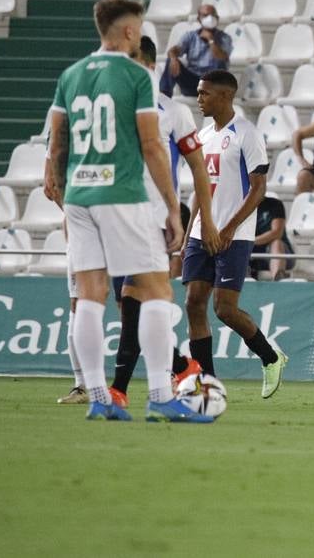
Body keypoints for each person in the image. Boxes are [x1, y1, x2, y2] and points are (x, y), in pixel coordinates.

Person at [43, 0, 210, 423]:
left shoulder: (72, 75)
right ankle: (160, 394)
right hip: (123, 195)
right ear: (130, 30)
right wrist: (174, 209)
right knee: (156, 291)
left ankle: (100, 396)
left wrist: (62, 192)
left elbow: (57, 144)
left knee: (89, 297)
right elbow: (153, 146)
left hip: (81, 198)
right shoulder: (137, 77)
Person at [109, 35, 218, 407]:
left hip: (153, 219)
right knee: (129, 308)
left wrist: (199, 222)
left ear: (149, 66)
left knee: (131, 298)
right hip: (113, 218)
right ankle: (182, 367)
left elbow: (199, 171)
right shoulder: (115, 109)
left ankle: (119, 390)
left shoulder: (173, 113)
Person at [183, 70, 289, 398]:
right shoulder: (202, 136)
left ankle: (271, 357)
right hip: (203, 233)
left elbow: (258, 189)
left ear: (225, 96)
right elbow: (202, 191)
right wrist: (190, 234)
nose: (199, 99)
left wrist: (228, 229)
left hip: (234, 235)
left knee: (224, 309)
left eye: (205, 94)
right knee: (193, 303)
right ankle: (208, 384)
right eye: (198, 93)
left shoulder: (246, 134)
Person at [160, 5, 232, 98]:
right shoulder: (190, 36)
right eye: (205, 16)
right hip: (192, 82)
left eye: (212, 15)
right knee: (170, 60)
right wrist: (173, 58)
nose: (209, 18)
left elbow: (221, 56)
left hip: (214, 85)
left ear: (217, 19)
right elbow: (174, 50)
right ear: (199, 19)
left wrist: (211, 40)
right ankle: (164, 98)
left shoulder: (224, 38)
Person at [252, 195, 293, 280]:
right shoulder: (240, 207)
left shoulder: (275, 204)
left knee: (276, 242)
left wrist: (251, 242)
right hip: (251, 255)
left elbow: (277, 233)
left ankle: (278, 278)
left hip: (281, 254)